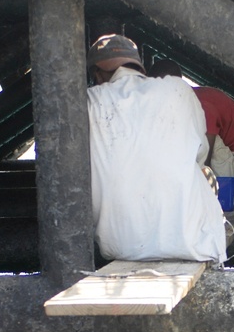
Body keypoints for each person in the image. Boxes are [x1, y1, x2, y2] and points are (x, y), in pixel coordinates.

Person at [86, 34, 226, 264]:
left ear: (97, 75)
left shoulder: (90, 100)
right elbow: (200, 155)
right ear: (140, 66)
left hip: (121, 247)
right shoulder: (178, 90)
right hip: (191, 243)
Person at [149, 59, 234, 198]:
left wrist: (200, 182)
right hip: (226, 162)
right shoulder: (180, 103)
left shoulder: (198, 103)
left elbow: (206, 149)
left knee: (201, 139)